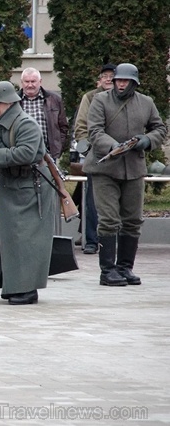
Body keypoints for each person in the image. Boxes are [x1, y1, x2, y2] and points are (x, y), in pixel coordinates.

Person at [0, 81, 56, 305]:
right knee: (10, 240)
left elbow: (26, 153)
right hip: (10, 186)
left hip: (30, 187)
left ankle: (27, 289)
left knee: (27, 240)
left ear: (9, 102)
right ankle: (13, 286)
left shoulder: (26, 124)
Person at [82, 63, 166, 286]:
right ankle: (107, 270)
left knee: (133, 220)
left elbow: (159, 128)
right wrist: (113, 146)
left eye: (125, 81)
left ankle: (125, 267)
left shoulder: (146, 102)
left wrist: (147, 140)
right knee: (109, 219)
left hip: (134, 168)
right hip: (105, 168)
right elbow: (94, 131)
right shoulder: (100, 100)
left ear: (134, 83)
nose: (120, 83)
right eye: (118, 80)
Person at [73, 63, 117, 254]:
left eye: (112, 76)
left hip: (122, 158)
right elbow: (81, 127)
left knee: (119, 202)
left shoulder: (129, 98)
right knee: (92, 201)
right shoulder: (90, 97)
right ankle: (91, 240)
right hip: (97, 157)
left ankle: (115, 240)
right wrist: (90, 149)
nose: (108, 79)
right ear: (99, 79)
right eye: (105, 75)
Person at [18, 67, 69, 160]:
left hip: (48, 155)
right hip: (21, 154)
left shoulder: (54, 99)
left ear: (40, 81)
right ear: (22, 82)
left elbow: (63, 127)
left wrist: (58, 147)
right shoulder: (14, 102)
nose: (30, 85)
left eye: (33, 81)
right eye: (26, 81)